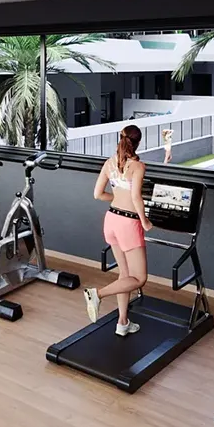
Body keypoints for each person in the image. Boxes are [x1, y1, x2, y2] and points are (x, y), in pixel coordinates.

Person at [82, 124, 151, 336]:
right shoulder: (138, 167)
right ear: (138, 143)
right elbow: (136, 198)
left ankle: (123, 322)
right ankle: (97, 294)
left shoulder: (109, 163)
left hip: (111, 219)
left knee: (125, 274)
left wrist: (117, 198)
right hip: (128, 223)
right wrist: (145, 221)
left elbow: (97, 194)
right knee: (139, 278)